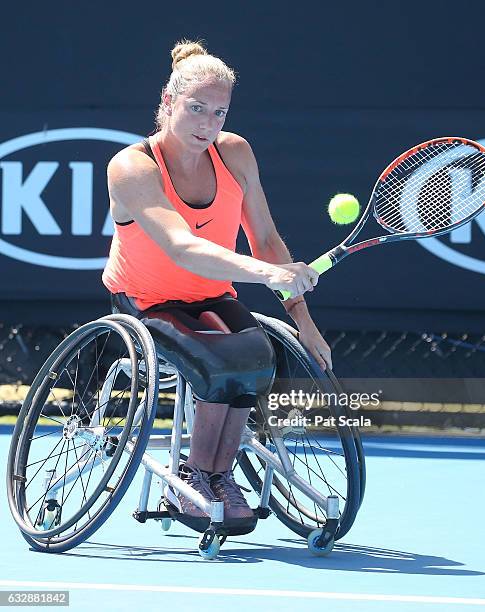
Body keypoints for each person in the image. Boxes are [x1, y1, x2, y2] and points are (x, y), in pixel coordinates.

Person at [102, 39, 332, 528]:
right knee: (222, 363)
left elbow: (266, 239)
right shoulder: (131, 167)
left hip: (211, 296)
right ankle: (194, 474)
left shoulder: (235, 154)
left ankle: (216, 475)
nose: (207, 125)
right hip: (146, 301)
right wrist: (268, 273)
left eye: (219, 113)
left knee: (258, 360)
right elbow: (183, 248)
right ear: (168, 102)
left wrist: (305, 323)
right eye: (196, 109)